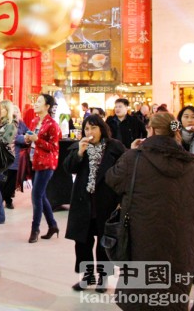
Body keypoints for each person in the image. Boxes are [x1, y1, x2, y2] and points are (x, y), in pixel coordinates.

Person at [106, 112, 194, 311]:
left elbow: (112, 179)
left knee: (139, 301)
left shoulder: (133, 159)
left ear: (151, 130)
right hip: (180, 248)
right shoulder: (192, 164)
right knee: (171, 301)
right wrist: (192, 241)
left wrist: (131, 151)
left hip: (140, 244)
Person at [63, 114, 126, 292]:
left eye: (94, 128)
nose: (90, 132)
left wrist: (122, 200)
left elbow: (124, 174)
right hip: (83, 202)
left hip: (106, 201)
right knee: (82, 242)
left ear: (102, 128)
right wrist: (80, 153)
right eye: (87, 129)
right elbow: (68, 168)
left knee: (103, 242)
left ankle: (103, 278)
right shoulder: (79, 147)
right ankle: (87, 276)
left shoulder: (115, 147)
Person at [25, 94, 61, 243]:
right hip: (35, 161)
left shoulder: (52, 124)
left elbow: (54, 147)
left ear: (47, 106)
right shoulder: (34, 121)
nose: (36, 104)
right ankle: (53, 225)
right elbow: (33, 139)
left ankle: (35, 229)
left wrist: (37, 140)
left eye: (40, 102)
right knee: (41, 195)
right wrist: (28, 139)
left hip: (46, 164)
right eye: (36, 101)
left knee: (36, 196)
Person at [0, 100, 16, 215]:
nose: (0, 110)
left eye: (2, 108)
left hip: (5, 158)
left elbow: (6, 141)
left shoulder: (10, 125)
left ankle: (0, 211)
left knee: (3, 184)